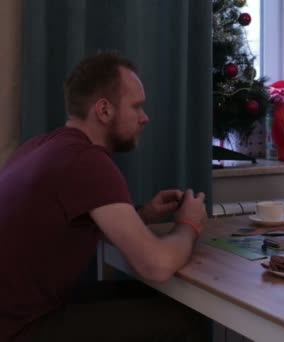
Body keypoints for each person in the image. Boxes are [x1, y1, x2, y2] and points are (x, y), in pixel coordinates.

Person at [0, 52, 210, 341]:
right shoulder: (86, 162)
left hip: (16, 315)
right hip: (21, 329)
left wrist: (144, 215)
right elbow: (156, 265)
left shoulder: (40, 147)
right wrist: (189, 224)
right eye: (136, 107)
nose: (145, 118)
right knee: (186, 318)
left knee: (152, 296)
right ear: (104, 110)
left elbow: (70, 225)